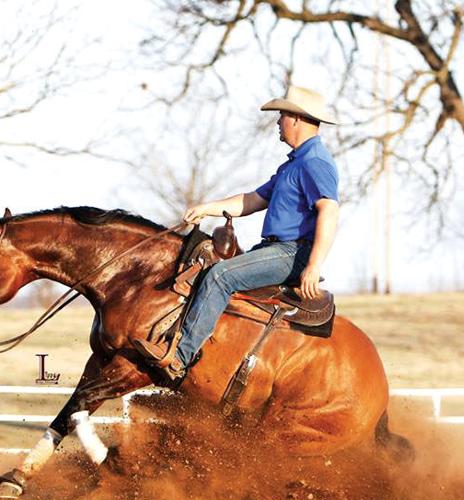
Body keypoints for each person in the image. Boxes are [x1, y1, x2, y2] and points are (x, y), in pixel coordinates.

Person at [134, 86, 340, 381]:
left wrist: (313, 266)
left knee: (220, 275)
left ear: (296, 119)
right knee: (205, 266)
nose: (277, 123)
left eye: (281, 116)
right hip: (273, 249)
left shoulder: (315, 162)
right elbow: (253, 200)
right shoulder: (292, 166)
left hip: (292, 252)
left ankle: (179, 357)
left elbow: (329, 211)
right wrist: (208, 208)